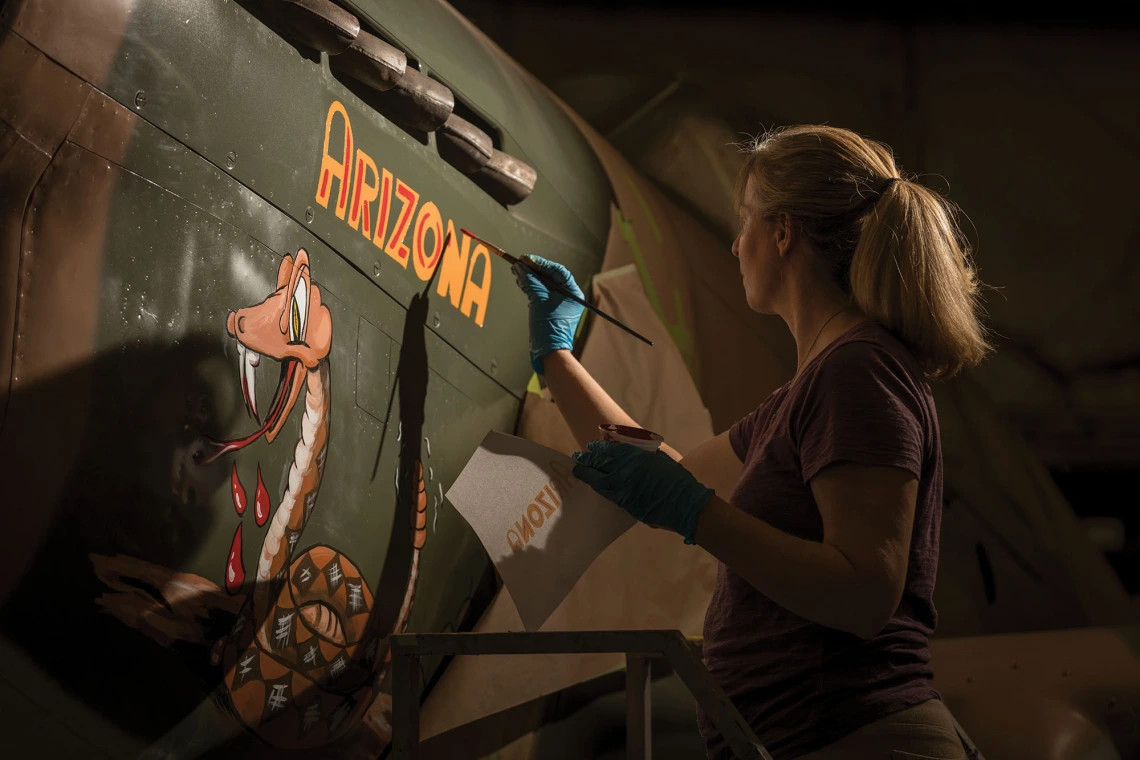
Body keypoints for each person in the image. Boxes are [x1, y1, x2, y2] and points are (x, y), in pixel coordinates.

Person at [510, 125, 991, 760]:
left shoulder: (859, 371)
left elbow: (864, 594)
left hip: (860, 740)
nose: (737, 246)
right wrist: (558, 358)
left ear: (784, 232)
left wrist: (692, 513)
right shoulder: (813, 387)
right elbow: (669, 473)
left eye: (746, 224)